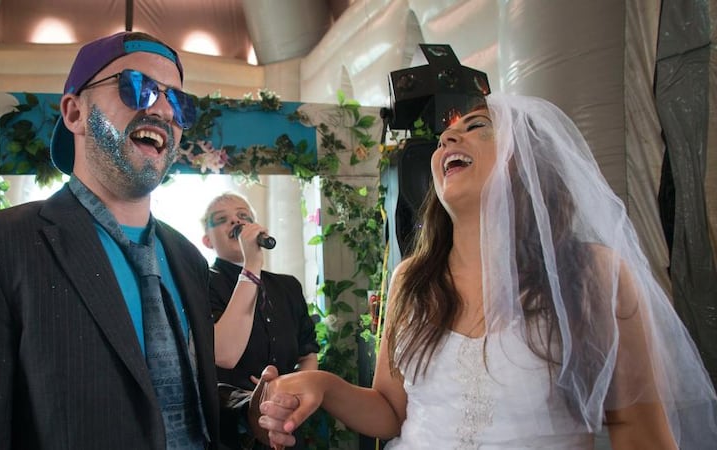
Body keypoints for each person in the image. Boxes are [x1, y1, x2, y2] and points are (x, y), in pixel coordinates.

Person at [256, 92, 717, 448]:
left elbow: (638, 430)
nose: (447, 140)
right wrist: (324, 385)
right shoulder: (410, 280)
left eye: (479, 128)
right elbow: (392, 412)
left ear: (534, 166)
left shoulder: (592, 273)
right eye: (446, 137)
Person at [0, 31, 227, 449]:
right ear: (74, 113)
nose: (164, 110)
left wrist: (253, 409)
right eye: (138, 87)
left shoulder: (187, 258)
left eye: (179, 102)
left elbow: (184, 409)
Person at [201, 192, 319, 449]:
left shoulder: (288, 286)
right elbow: (224, 353)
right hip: (231, 429)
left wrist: (298, 393)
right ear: (207, 240)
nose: (236, 221)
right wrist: (251, 264)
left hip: (287, 420)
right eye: (222, 219)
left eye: (243, 216)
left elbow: (307, 352)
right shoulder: (201, 283)